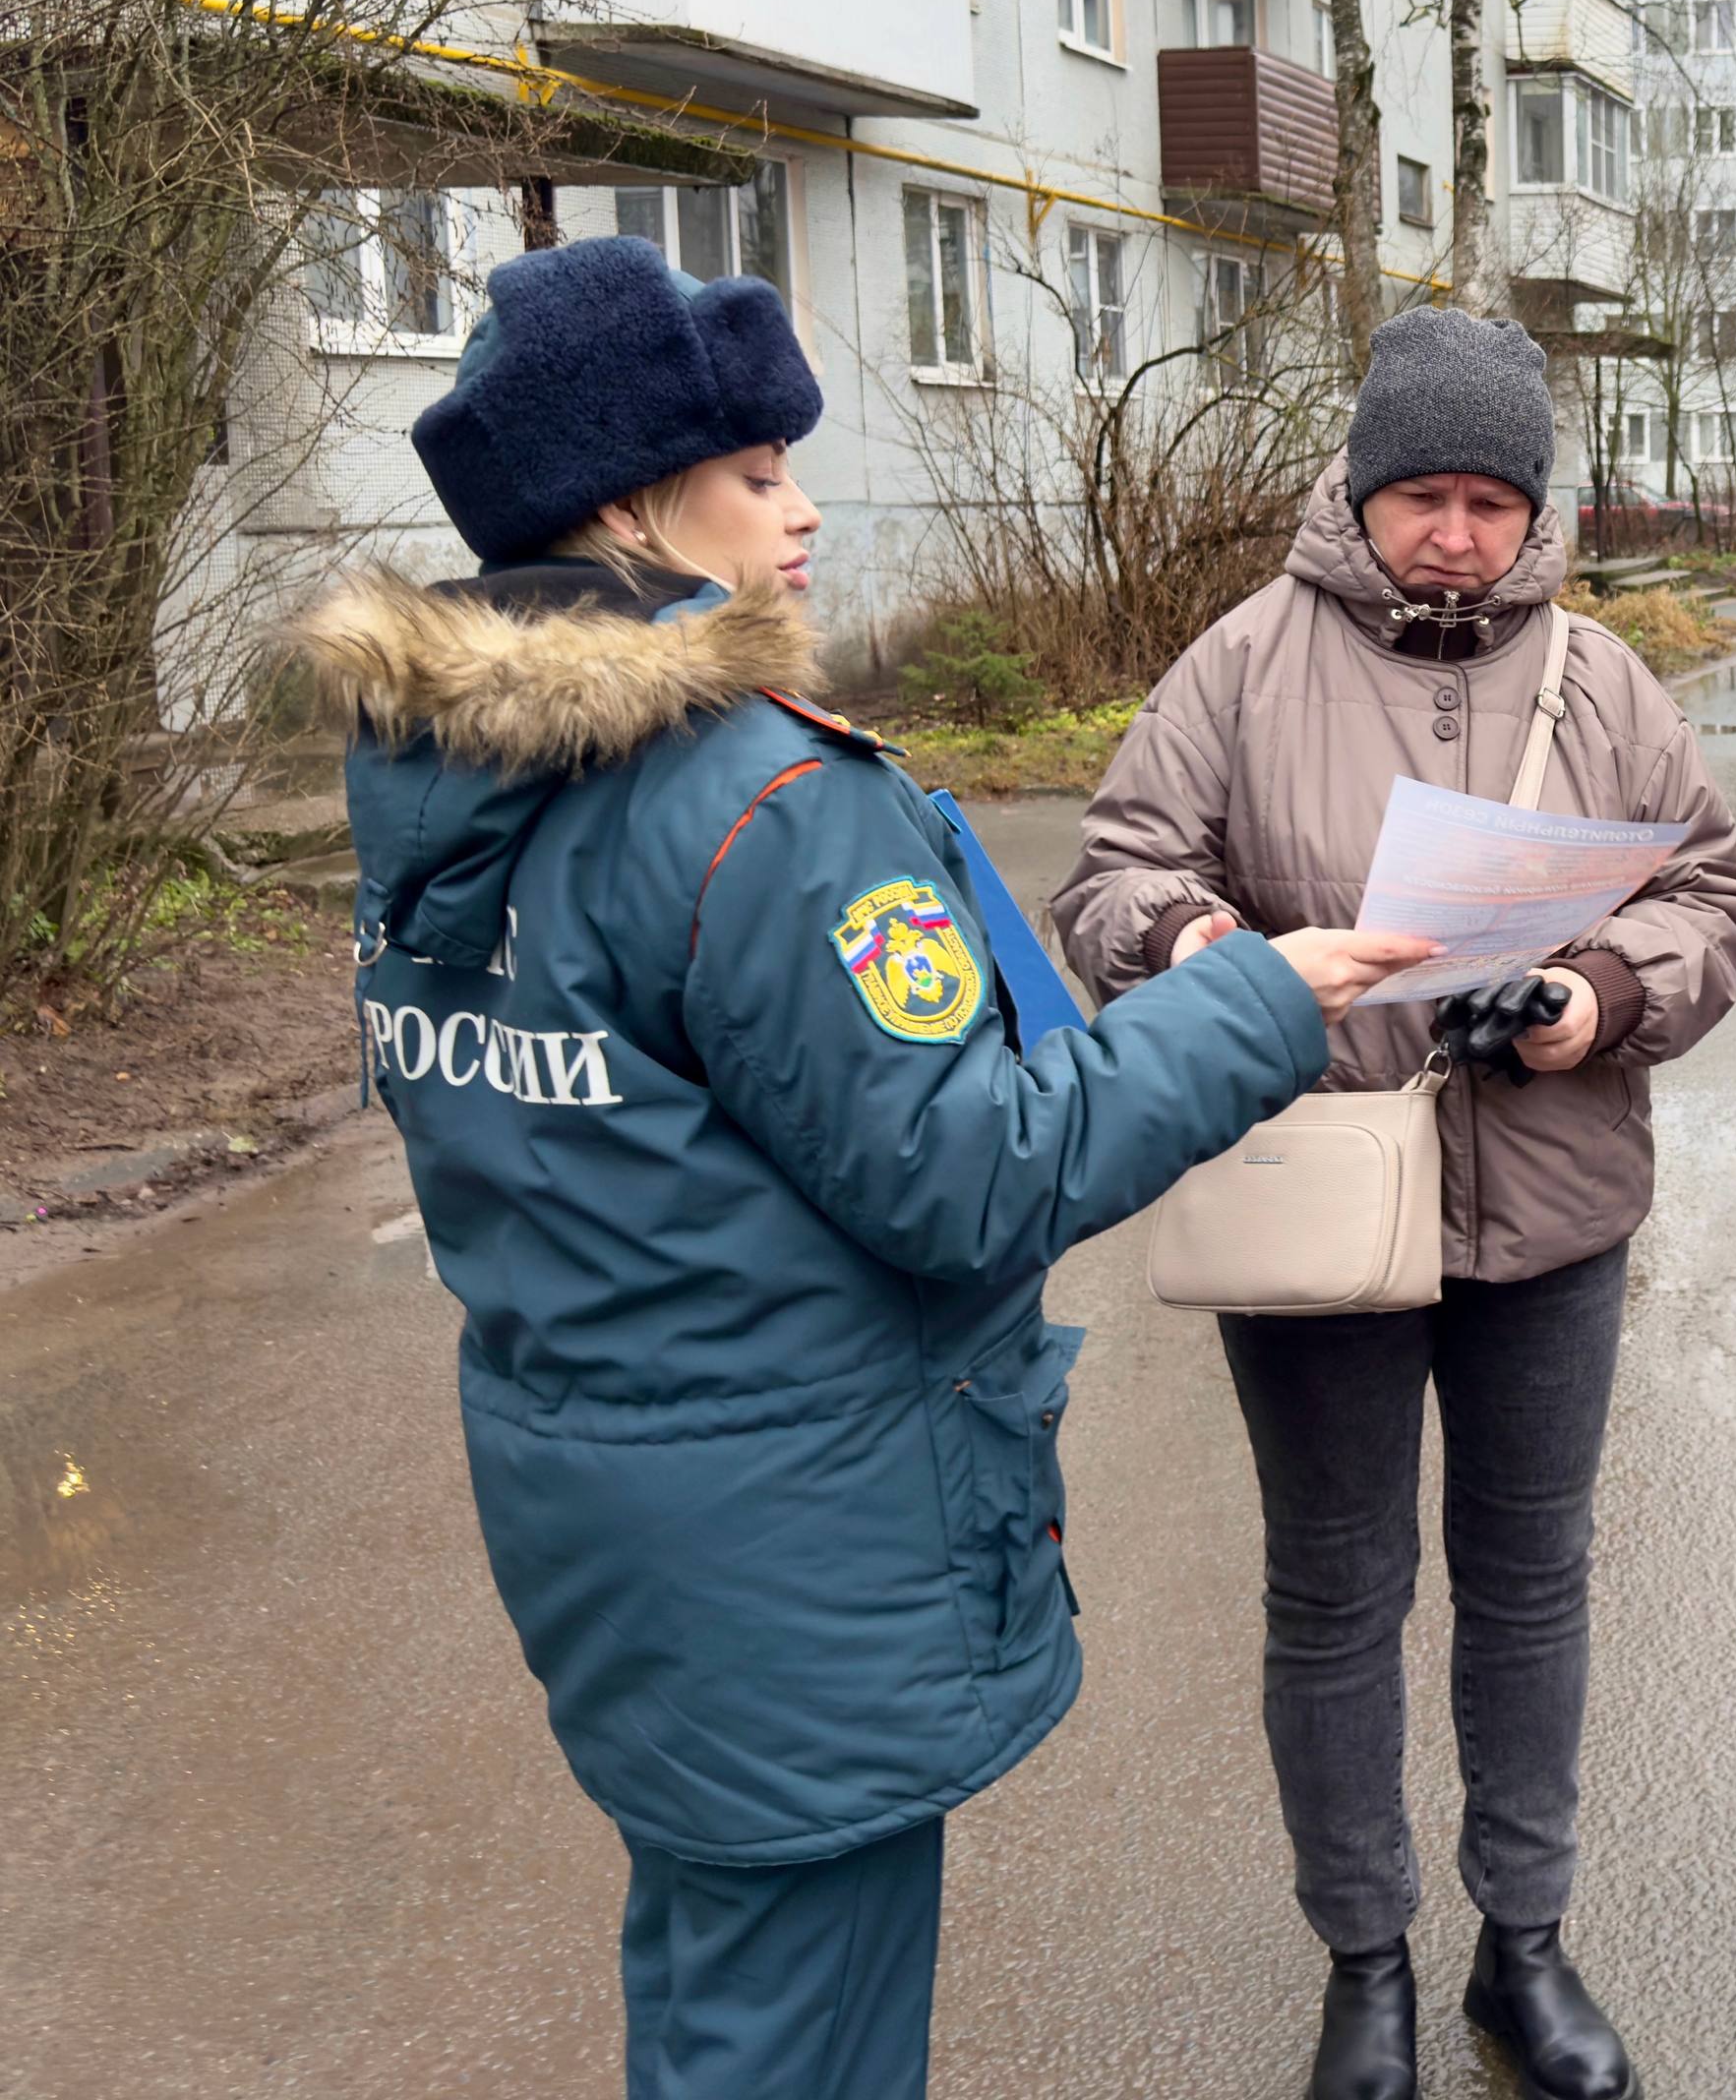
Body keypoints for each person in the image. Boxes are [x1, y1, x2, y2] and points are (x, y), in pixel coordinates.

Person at [287, 232, 1435, 2100]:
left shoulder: (444, 779)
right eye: (757, 475)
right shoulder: (752, 797)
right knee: (793, 2034)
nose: (803, 512)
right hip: (792, 1528)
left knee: (722, 1977)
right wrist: (1264, 1010)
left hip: (616, 1510)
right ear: (633, 508)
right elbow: (967, 1172)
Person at [1051, 307, 1736, 2100]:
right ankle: (1363, 1962)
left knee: (1530, 1587)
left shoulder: (1603, 683)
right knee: (1335, 1592)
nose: (1455, 533)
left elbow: (1708, 896)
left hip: (1553, 1209)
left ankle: (1521, 1950)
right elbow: (1113, 877)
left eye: (1488, 500)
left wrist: (1595, 997)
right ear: (1359, 492)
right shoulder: (1237, 664)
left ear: (1534, 511)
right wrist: (1205, 948)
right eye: (1420, 496)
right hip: (1319, 1213)